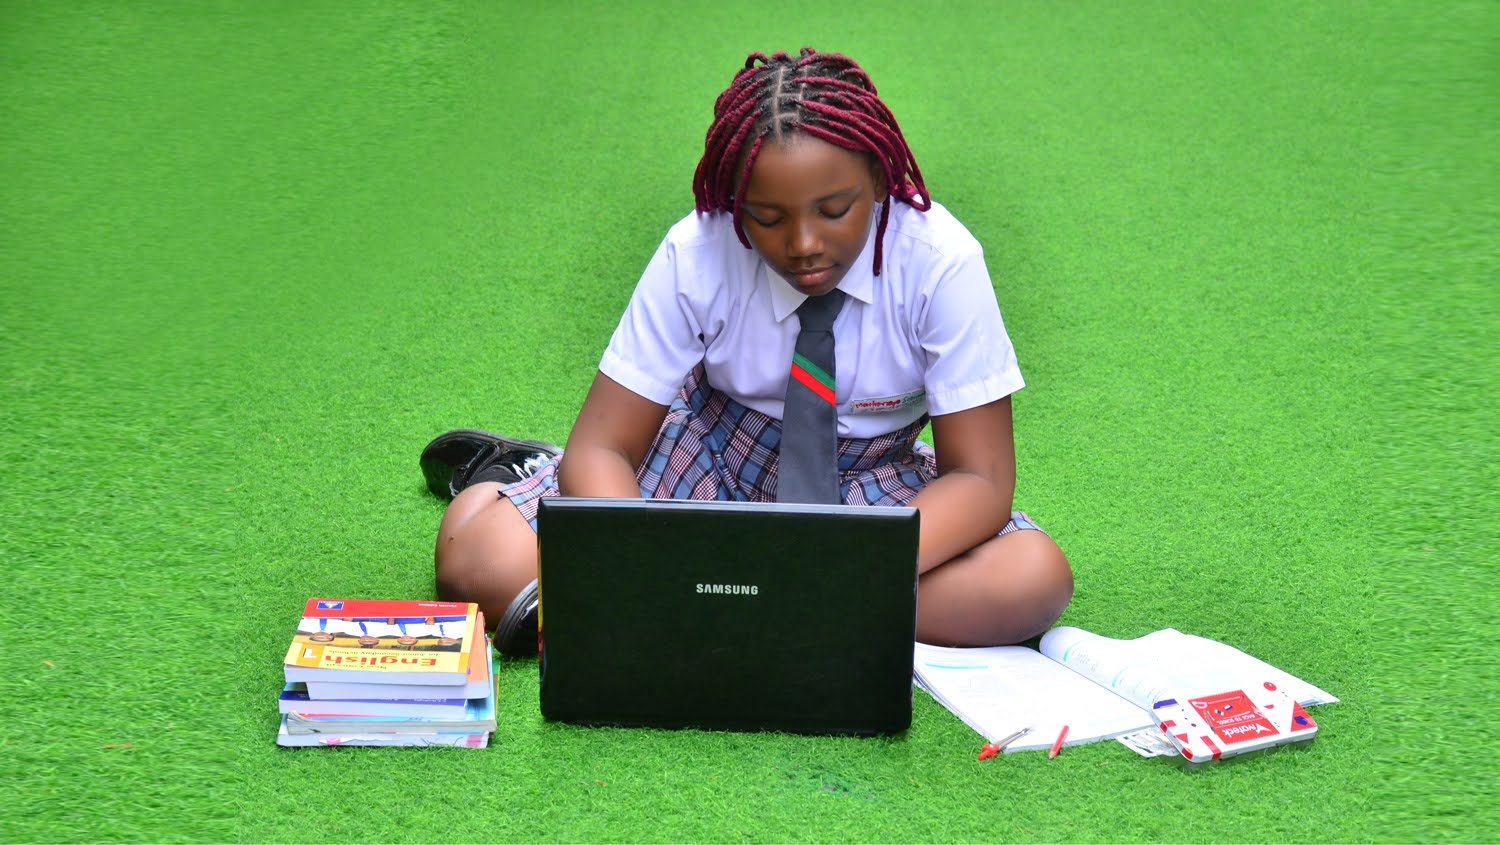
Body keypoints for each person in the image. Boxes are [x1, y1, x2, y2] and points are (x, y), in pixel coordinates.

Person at [421, 48, 1073, 655]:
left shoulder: (941, 261)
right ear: (735, 202)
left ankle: (739, 603)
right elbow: (606, 447)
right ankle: (513, 475)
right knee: (479, 561)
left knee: (1032, 580)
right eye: (768, 217)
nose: (804, 242)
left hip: (870, 481)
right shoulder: (698, 250)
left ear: (877, 178)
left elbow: (980, 478)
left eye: (835, 207)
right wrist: (647, 564)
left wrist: (834, 568)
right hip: (708, 449)